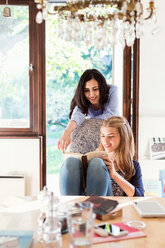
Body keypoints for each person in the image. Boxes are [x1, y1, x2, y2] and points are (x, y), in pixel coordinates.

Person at [59, 116, 144, 197]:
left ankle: (94, 209)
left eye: (110, 136)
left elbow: (140, 196)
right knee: (71, 162)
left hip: (111, 206)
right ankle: (72, 209)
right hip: (84, 204)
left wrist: (114, 175)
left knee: (97, 164)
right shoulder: (93, 158)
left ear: (123, 138)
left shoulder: (133, 166)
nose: (105, 141)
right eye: (103, 136)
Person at [58, 69, 119, 153]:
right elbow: (77, 114)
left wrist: (88, 122)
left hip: (113, 132)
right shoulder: (82, 98)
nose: (91, 94)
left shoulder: (112, 90)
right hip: (94, 137)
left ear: (101, 87)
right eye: (86, 90)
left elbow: (111, 115)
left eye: (95, 89)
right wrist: (67, 131)